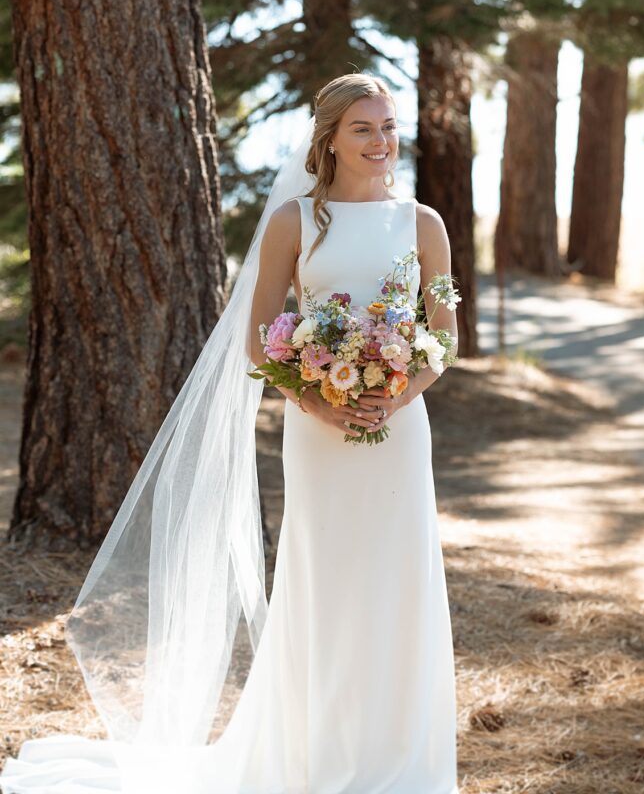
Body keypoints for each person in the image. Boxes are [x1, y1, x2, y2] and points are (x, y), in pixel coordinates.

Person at [1, 73, 459, 794]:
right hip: (318, 431)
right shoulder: (296, 224)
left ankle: (396, 757)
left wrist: (394, 398)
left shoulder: (422, 224)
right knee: (326, 580)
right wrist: (320, 404)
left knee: (397, 580)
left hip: (398, 430)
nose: (381, 142)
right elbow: (258, 337)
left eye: (389, 126)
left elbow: (445, 336)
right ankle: (314, 755)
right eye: (363, 129)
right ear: (329, 140)